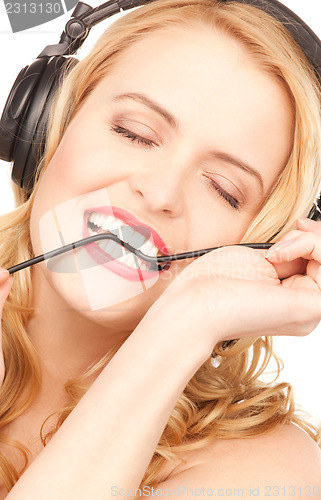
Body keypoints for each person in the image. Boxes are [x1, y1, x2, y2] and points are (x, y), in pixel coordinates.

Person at [0, 0, 321, 497]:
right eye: (134, 133)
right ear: (48, 126)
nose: (161, 193)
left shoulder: (269, 473)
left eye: (224, 188)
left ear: (268, 240)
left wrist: (187, 321)